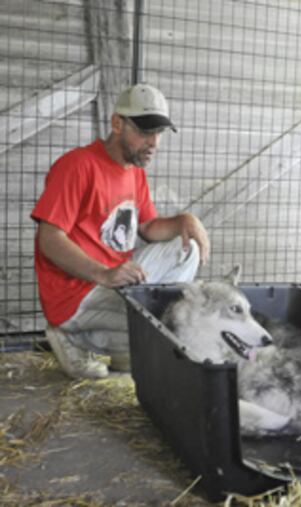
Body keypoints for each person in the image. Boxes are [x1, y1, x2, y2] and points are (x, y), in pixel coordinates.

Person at [32, 83, 210, 379]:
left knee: (186, 248)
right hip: (79, 293)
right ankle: (69, 336)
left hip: (114, 280)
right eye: (144, 131)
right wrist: (103, 272)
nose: (153, 142)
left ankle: (129, 335)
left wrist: (184, 220)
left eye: (159, 133)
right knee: (161, 334)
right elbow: (49, 239)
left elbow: (150, 229)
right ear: (117, 123)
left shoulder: (135, 171)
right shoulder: (78, 165)